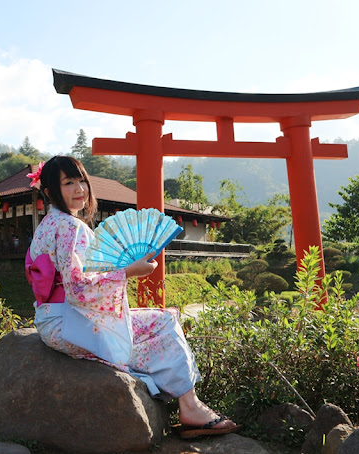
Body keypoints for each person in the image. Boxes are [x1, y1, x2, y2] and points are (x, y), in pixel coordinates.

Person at [24, 156, 241, 437]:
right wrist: (128, 272)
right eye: (68, 183)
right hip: (71, 324)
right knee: (164, 323)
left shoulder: (47, 224)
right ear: (51, 191)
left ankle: (180, 399)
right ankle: (190, 405)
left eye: (82, 181)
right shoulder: (71, 227)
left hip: (52, 321)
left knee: (146, 329)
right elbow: (78, 287)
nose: (80, 189)